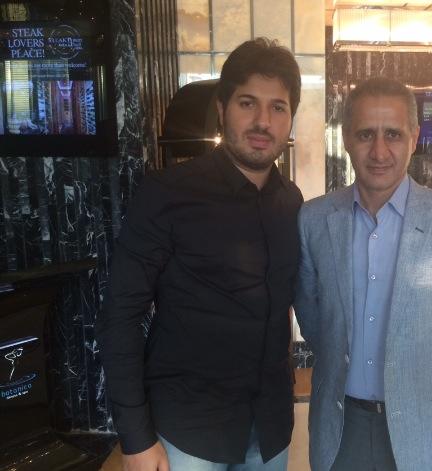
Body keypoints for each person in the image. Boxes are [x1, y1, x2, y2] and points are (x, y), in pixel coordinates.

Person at [95, 37, 303, 471]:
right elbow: (121, 315)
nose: (263, 121)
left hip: (268, 429)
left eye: (278, 107)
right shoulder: (168, 193)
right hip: (189, 430)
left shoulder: (292, 202)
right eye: (248, 103)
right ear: (222, 108)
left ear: (290, 119)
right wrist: (135, 438)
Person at [294, 77, 432, 471]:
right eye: (365, 134)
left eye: (393, 134)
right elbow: (312, 313)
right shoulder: (314, 220)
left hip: (427, 422)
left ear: (414, 138)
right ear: (346, 139)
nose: (379, 151)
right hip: (341, 426)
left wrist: (425, 369)